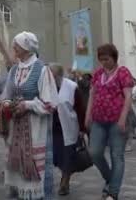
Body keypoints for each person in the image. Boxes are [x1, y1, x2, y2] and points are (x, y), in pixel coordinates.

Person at [0, 31, 59, 200]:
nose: (13, 48)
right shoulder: (14, 70)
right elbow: (6, 94)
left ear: (26, 48)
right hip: (16, 126)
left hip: (35, 127)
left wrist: (28, 105)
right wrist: (6, 104)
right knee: (16, 166)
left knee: (36, 167)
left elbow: (50, 103)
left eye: (16, 46)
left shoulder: (42, 69)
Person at [86, 43, 134, 200]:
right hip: (98, 120)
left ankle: (113, 192)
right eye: (101, 59)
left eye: (106, 59)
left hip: (116, 121)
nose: (104, 62)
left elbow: (128, 97)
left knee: (117, 156)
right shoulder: (98, 73)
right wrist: (88, 115)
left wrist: (122, 118)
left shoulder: (123, 72)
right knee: (94, 152)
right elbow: (92, 95)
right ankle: (110, 178)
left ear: (114, 57)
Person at [50, 63, 86, 196]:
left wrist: (82, 129)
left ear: (59, 75)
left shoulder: (71, 87)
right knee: (56, 157)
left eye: (52, 75)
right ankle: (64, 174)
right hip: (52, 128)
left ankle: (65, 182)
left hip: (69, 127)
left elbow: (80, 109)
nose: (49, 78)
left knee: (68, 157)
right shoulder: (45, 87)